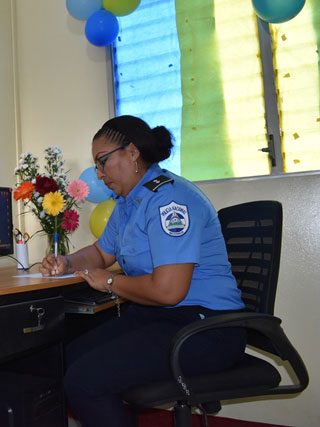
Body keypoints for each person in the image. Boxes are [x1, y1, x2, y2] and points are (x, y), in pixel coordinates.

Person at [40, 115, 246, 427]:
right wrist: (66, 262)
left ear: (133, 152)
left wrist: (110, 281)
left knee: (85, 380)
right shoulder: (128, 203)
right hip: (163, 316)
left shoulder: (169, 200)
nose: (99, 174)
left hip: (207, 327)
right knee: (69, 356)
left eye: (103, 162)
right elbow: (100, 252)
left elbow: (168, 291)